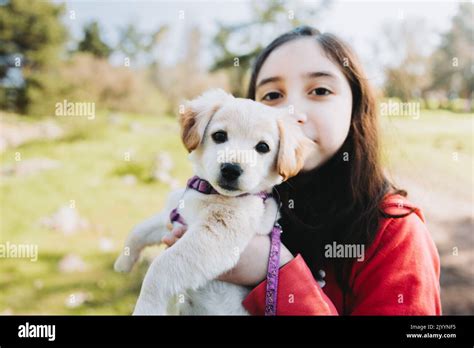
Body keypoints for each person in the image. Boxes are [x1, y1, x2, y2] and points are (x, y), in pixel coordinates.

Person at [162, 26, 441, 315]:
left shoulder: (396, 234)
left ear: (355, 106)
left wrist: (274, 269)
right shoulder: (235, 203)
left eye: (320, 90)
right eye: (271, 95)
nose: (292, 113)